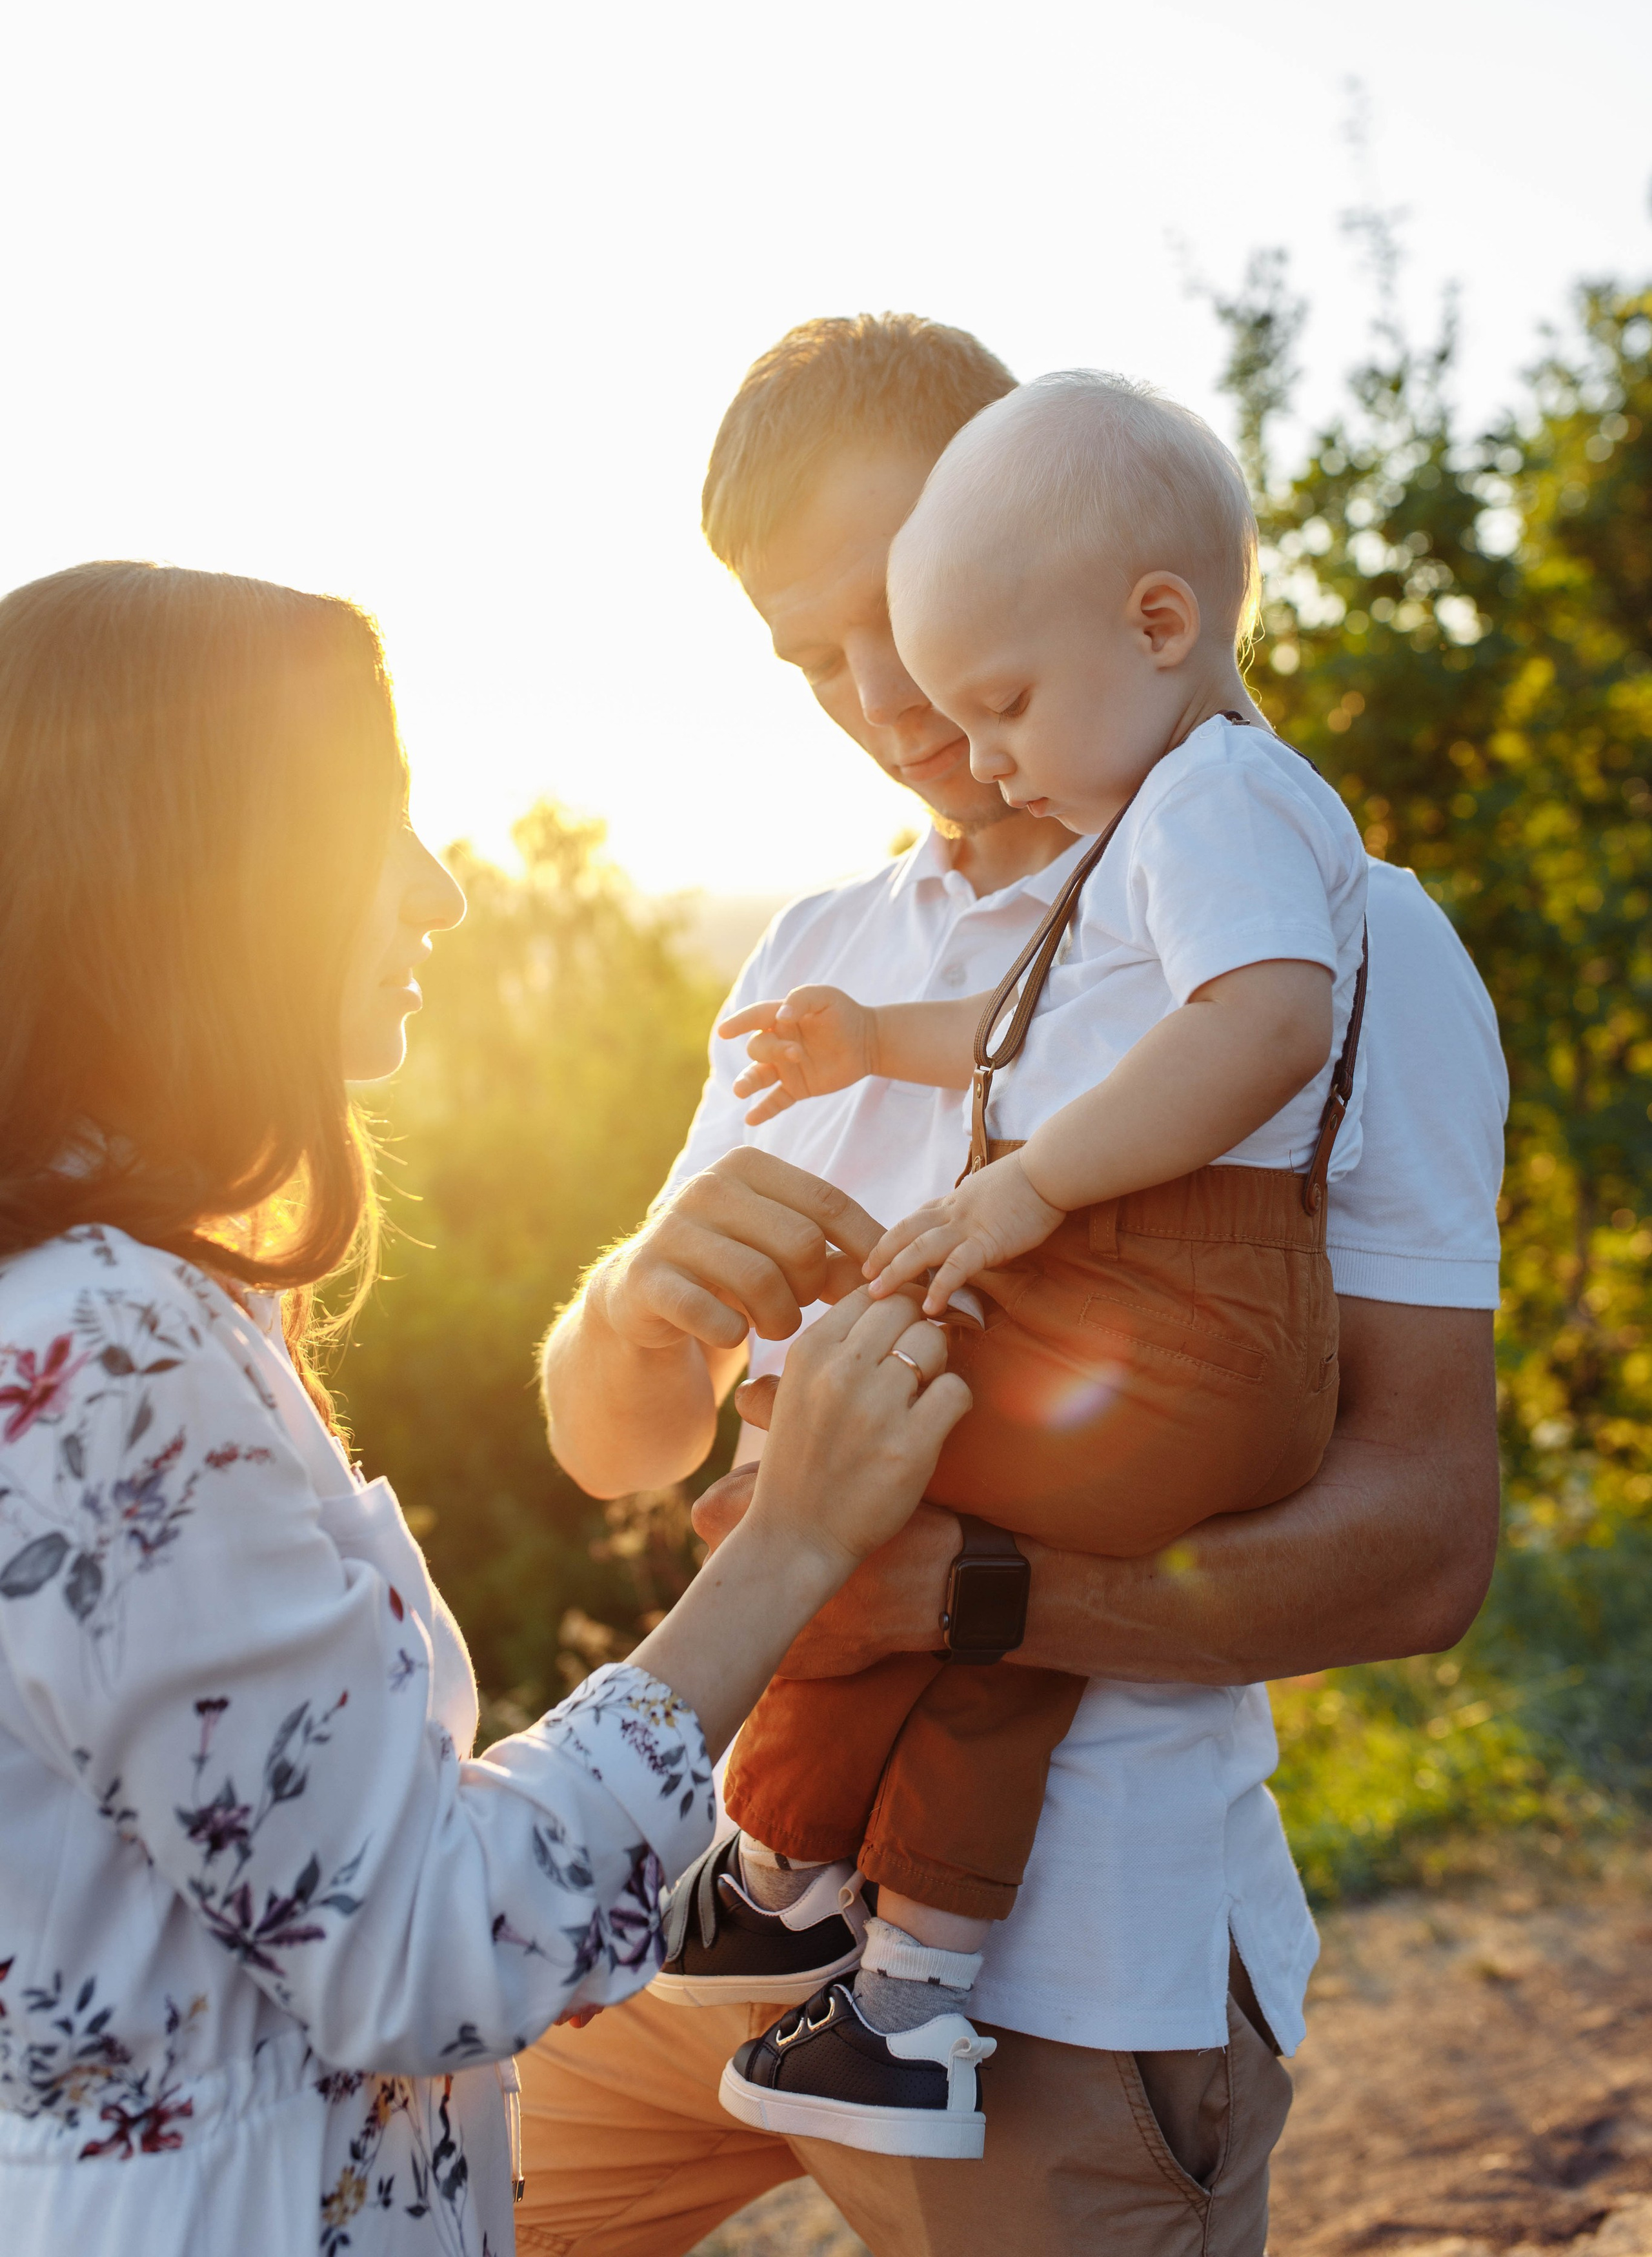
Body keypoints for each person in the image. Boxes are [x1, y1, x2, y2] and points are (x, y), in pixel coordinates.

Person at [525, 315, 1507, 2257]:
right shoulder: (817, 961)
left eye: (896, 608)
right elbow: (614, 1449)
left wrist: (980, 1594)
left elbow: (1425, 1550)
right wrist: (634, 1303)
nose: (880, 694)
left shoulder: (1334, 944)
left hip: (1066, 1989)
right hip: (695, 1904)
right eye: (811, 657)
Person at [0, 559, 972, 2257]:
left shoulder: (113, 1307)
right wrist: (791, 1545)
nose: (438, 891)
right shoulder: (107, 1355)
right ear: (202, 875)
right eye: (373, 826)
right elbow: (419, 1949)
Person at [703, 371, 1369, 2156]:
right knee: (980, 1620)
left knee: (847, 1463)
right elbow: (1032, 1028)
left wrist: (1026, 1193)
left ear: (1155, 624)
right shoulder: (1151, 836)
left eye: (1001, 701)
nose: (977, 752)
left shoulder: (1218, 801)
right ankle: (907, 1994)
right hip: (1177, 1322)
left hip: (1187, 1308)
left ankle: (776, 1865)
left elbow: (1267, 1023)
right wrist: (871, 1044)